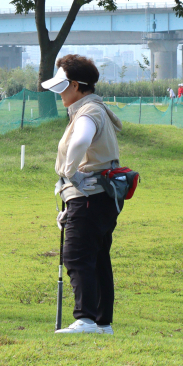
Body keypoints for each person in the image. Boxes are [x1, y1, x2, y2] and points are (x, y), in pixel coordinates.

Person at [43, 54, 124, 335]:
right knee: (97, 258)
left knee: (77, 256)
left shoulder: (88, 111)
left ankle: (86, 319)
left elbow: (80, 140)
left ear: (76, 85)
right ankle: (102, 323)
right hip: (99, 196)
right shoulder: (91, 107)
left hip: (89, 195)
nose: (60, 93)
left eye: (63, 87)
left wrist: (70, 174)